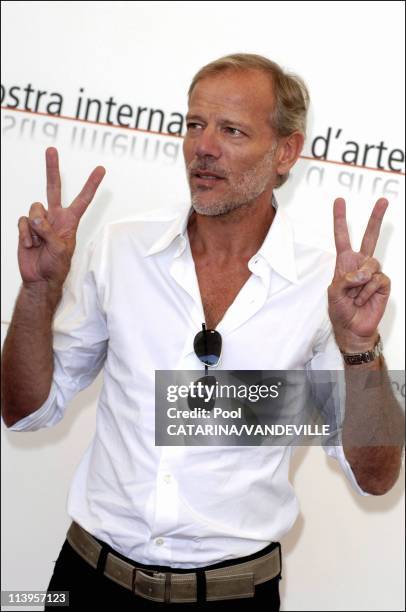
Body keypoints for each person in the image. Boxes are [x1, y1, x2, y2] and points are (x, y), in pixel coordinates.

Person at [1, 53, 403, 610]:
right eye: (194, 125)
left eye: (231, 130)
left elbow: (376, 475)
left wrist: (360, 348)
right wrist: (39, 292)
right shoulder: (120, 248)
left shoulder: (325, 286)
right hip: (87, 581)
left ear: (286, 151)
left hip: (235, 595)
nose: (203, 147)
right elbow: (24, 410)